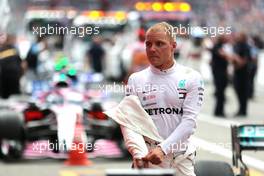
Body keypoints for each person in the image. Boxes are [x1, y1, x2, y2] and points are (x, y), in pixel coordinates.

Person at [124, 22, 204, 176]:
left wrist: (163, 148)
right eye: (148, 44)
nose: (152, 49)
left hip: (180, 159)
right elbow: (130, 123)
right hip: (148, 159)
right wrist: (138, 153)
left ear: (173, 46)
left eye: (159, 44)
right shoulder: (135, 79)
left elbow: (189, 122)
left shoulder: (192, 77)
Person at [210, 35, 231, 117]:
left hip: (220, 72)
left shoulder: (221, 46)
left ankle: (219, 110)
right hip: (219, 73)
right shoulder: (217, 47)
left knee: (221, 93)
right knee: (220, 92)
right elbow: (223, 55)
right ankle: (219, 111)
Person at [232, 32, 251, 116]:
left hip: (244, 73)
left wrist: (238, 65)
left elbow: (245, 60)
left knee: (243, 92)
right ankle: (240, 108)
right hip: (237, 72)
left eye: (240, 36)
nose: (238, 37)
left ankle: (243, 110)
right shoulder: (236, 45)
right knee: (238, 90)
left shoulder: (246, 47)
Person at [0, 34, 22, 99]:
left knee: (10, 95)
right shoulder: (14, 49)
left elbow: (20, 63)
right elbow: (21, 63)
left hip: (9, 76)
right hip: (9, 76)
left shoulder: (12, 49)